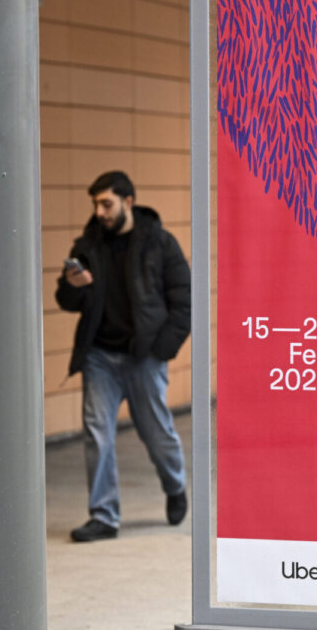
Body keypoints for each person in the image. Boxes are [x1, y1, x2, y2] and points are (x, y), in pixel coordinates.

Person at [56, 171, 191, 542]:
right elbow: (66, 301)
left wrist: (161, 350)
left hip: (144, 356)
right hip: (100, 357)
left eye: (107, 204)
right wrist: (73, 287)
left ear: (128, 202)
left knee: (156, 434)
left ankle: (175, 484)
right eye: (96, 204)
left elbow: (183, 302)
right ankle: (104, 516)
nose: (100, 211)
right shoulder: (89, 246)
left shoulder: (161, 244)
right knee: (97, 434)